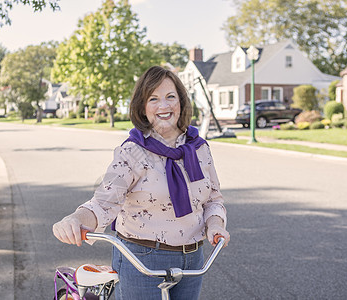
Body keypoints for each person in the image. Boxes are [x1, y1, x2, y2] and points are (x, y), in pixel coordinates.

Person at [53, 65, 230, 300]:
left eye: (170, 97)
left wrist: (215, 225)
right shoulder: (132, 152)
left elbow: (213, 200)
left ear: (181, 102)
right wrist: (74, 220)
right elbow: (103, 203)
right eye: (153, 99)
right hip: (142, 259)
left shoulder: (199, 149)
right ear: (143, 108)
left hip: (194, 260)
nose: (164, 106)